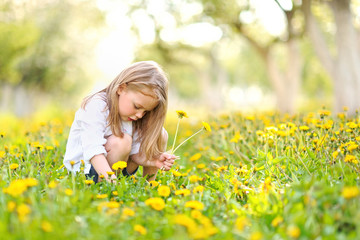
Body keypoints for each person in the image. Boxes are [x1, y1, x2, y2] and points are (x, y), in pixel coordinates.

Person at [63, 61, 176, 183]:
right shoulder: (97, 105)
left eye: (146, 111)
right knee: (121, 141)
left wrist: (153, 160)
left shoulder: (130, 115)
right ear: (121, 88)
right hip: (86, 171)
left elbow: (135, 153)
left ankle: (148, 185)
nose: (140, 115)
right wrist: (112, 182)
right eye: (137, 107)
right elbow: (93, 152)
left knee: (160, 134)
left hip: (117, 170)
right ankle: (103, 187)